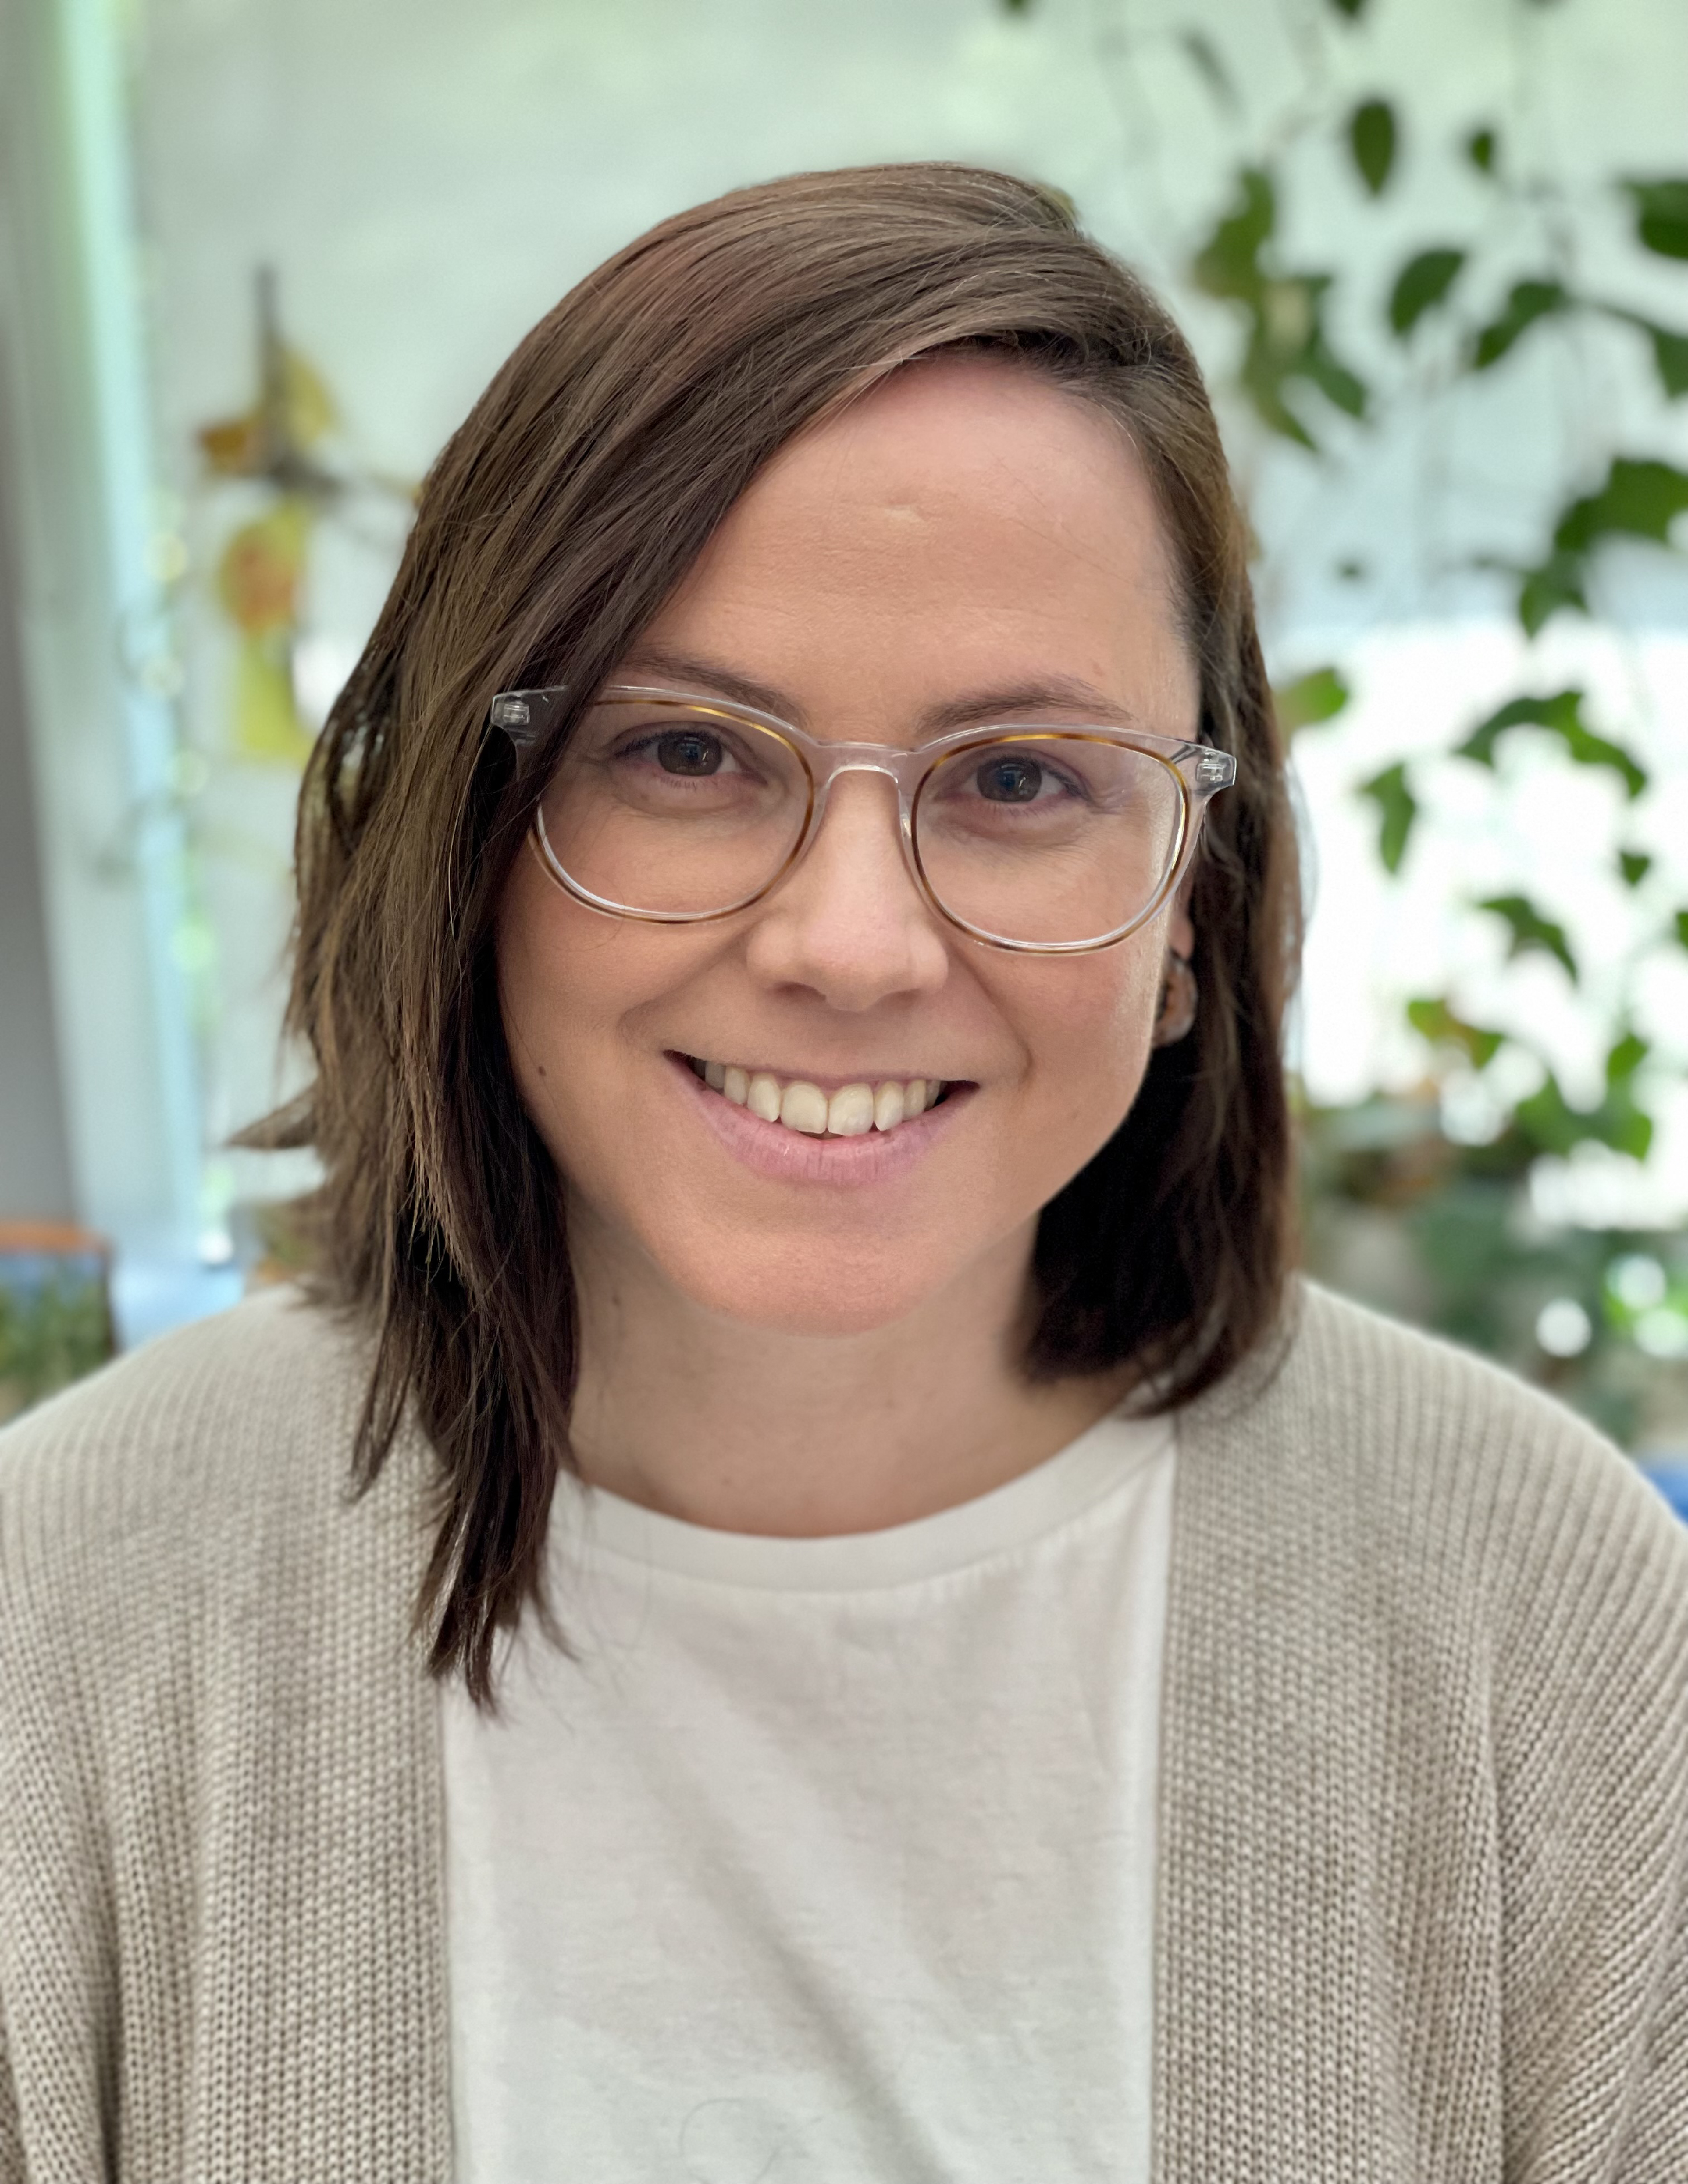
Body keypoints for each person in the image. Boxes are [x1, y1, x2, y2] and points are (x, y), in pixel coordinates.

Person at [1, 163, 1685, 2184]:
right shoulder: (74, 1602)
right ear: (467, 831)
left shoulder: (1549, 1619)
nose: (854, 944)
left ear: (1186, 908)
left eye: (1020, 780)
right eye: (689, 752)